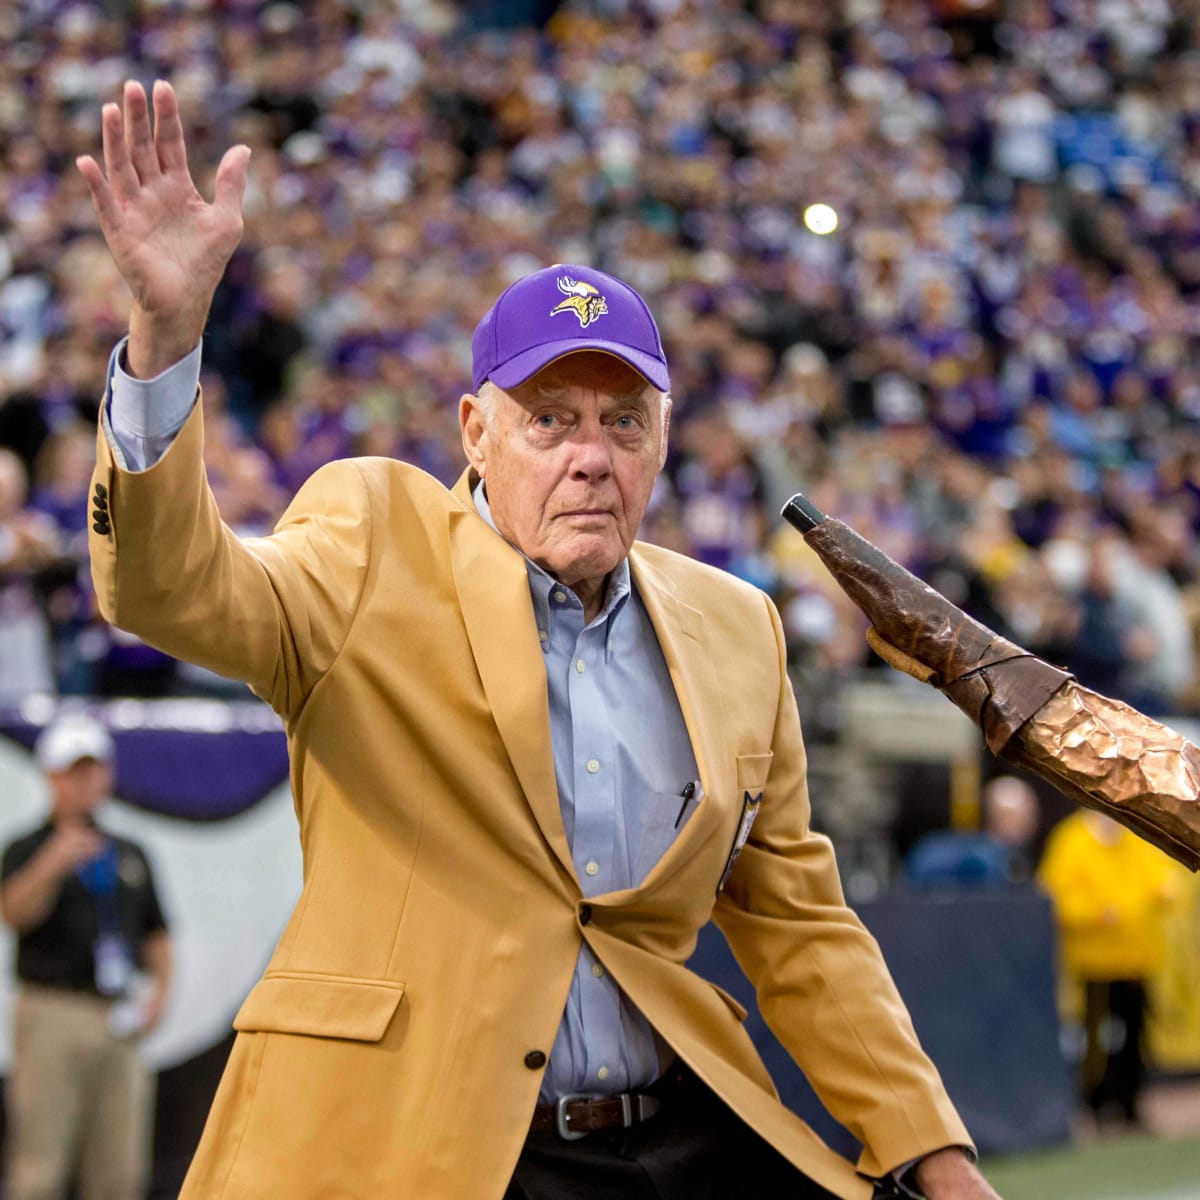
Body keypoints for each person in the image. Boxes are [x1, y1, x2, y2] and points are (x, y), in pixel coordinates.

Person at [75, 79, 1001, 1199]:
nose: (591, 456)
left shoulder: (736, 628)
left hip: (665, 1147)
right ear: (476, 430)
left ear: (664, 443)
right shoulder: (371, 535)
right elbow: (174, 591)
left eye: (624, 422)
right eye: (550, 419)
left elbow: (801, 924)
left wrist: (933, 1152)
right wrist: (167, 343)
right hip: (412, 1146)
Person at [1, 714, 171, 1200]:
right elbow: (13, 914)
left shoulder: (128, 852)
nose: (85, 782)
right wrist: (52, 865)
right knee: (39, 1163)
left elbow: (158, 931)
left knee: (119, 1168)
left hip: (118, 1017)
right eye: (74, 771)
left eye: (93, 769)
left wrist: (161, 993)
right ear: (51, 777)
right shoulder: (26, 848)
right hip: (51, 1013)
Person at [1038, 809, 1179, 1130]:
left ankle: (1131, 1103)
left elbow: (1163, 880)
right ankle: (1097, 1102)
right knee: (1096, 1039)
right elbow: (1055, 896)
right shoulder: (1072, 840)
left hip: (1136, 961)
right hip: (1094, 964)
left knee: (1134, 1035)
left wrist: (1161, 894)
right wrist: (1097, 914)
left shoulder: (1136, 836)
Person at [905, 775, 1040, 888]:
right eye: (1025, 818)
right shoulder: (983, 862)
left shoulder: (1014, 859)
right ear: (1004, 817)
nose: (1034, 826)